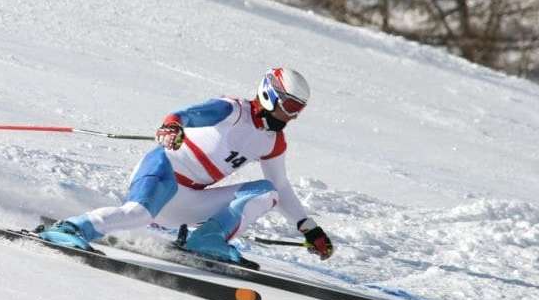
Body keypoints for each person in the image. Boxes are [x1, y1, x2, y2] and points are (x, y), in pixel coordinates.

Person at [39, 67, 334, 264]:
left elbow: (281, 187)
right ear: (271, 94)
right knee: (138, 213)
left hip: (190, 199)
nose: (293, 116)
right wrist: (172, 126)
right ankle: (73, 228)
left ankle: (207, 241)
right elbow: (183, 115)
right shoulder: (231, 110)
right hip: (164, 170)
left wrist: (309, 229)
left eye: (300, 110)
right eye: (291, 106)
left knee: (267, 191)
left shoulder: (273, 142)